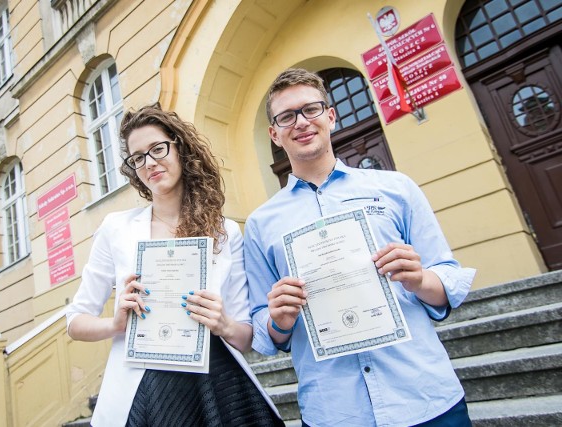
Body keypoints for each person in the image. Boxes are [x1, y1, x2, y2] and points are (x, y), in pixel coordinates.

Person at [244, 68, 476, 427]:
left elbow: (447, 277)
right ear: (274, 134)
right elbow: (264, 324)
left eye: (311, 109)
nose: (302, 122)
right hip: (335, 411)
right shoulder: (260, 223)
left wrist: (419, 279)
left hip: (424, 397)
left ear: (331, 116)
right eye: (287, 116)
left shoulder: (397, 188)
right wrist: (279, 320)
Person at [66, 103, 283, 427]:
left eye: (157, 149)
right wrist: (116, 323)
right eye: (138, 157)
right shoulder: (116, 229)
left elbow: (246, 336)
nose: (149, 162)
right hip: (146, 389)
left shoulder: (224, 232)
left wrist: (222, 323)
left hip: (215, 381)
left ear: (180, 148)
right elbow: (75, 321)